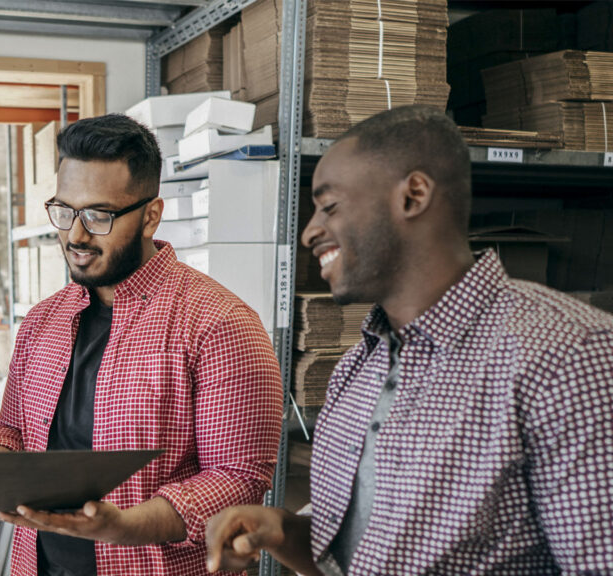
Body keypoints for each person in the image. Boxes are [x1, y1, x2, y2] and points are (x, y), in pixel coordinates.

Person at [206, 105, 613, 575]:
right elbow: (358, 554)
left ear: (413, 195)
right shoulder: (358, 367)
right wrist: (283, 531)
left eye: (329, 206)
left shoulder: (568, 357)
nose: (310, 232)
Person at [0, 113, 283, 575]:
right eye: (64, 211)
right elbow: (13, 433)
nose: (75, 235)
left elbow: (239, 478)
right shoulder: (42, 322)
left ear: (151, 216)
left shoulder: (220, 325)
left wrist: (125, 525)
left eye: (99, 215)